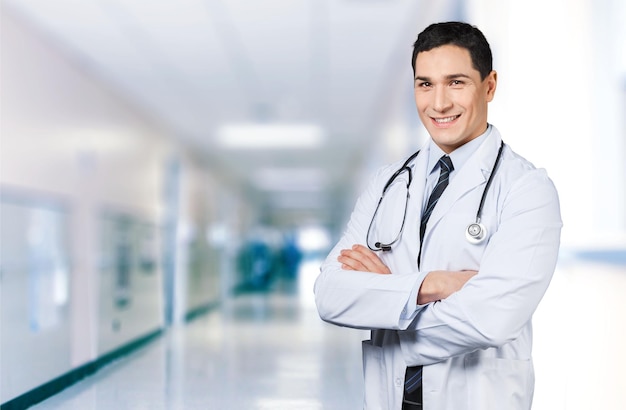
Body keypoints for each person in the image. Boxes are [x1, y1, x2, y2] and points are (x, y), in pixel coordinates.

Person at [314, 21, 562, 410]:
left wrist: (387, 300)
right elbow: (330, 296)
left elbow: (492, 318)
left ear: (490, 86)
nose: (439, 103)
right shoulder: (386, 184)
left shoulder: (526, 189)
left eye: (456, 82)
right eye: (425, 84)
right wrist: (433, 284)